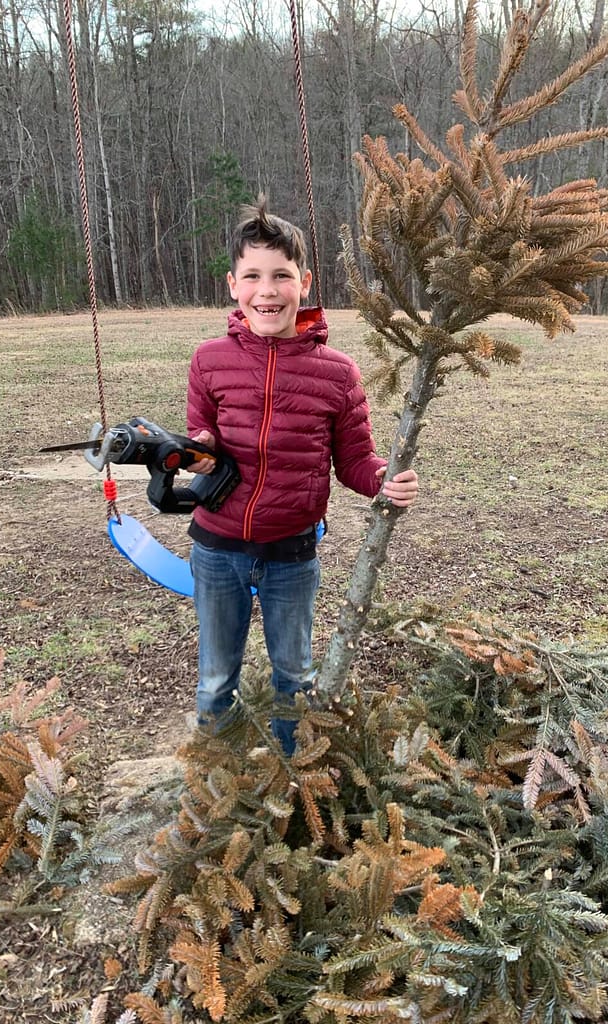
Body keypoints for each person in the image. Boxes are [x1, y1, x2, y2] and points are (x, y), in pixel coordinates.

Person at [186, 197, 419, 754]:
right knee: (216, 676)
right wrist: (196, 453)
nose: (266, 291)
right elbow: (200, 441)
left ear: (305, 282)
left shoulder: (337, 374)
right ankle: (216, 768)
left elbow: (355, 461)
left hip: (291, 554)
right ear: (233, 285)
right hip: (216, 548)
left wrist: (385, 478)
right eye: (252, 276)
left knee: (294, 674)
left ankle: (294, 769)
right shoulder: (208, 361)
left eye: (281, 276)